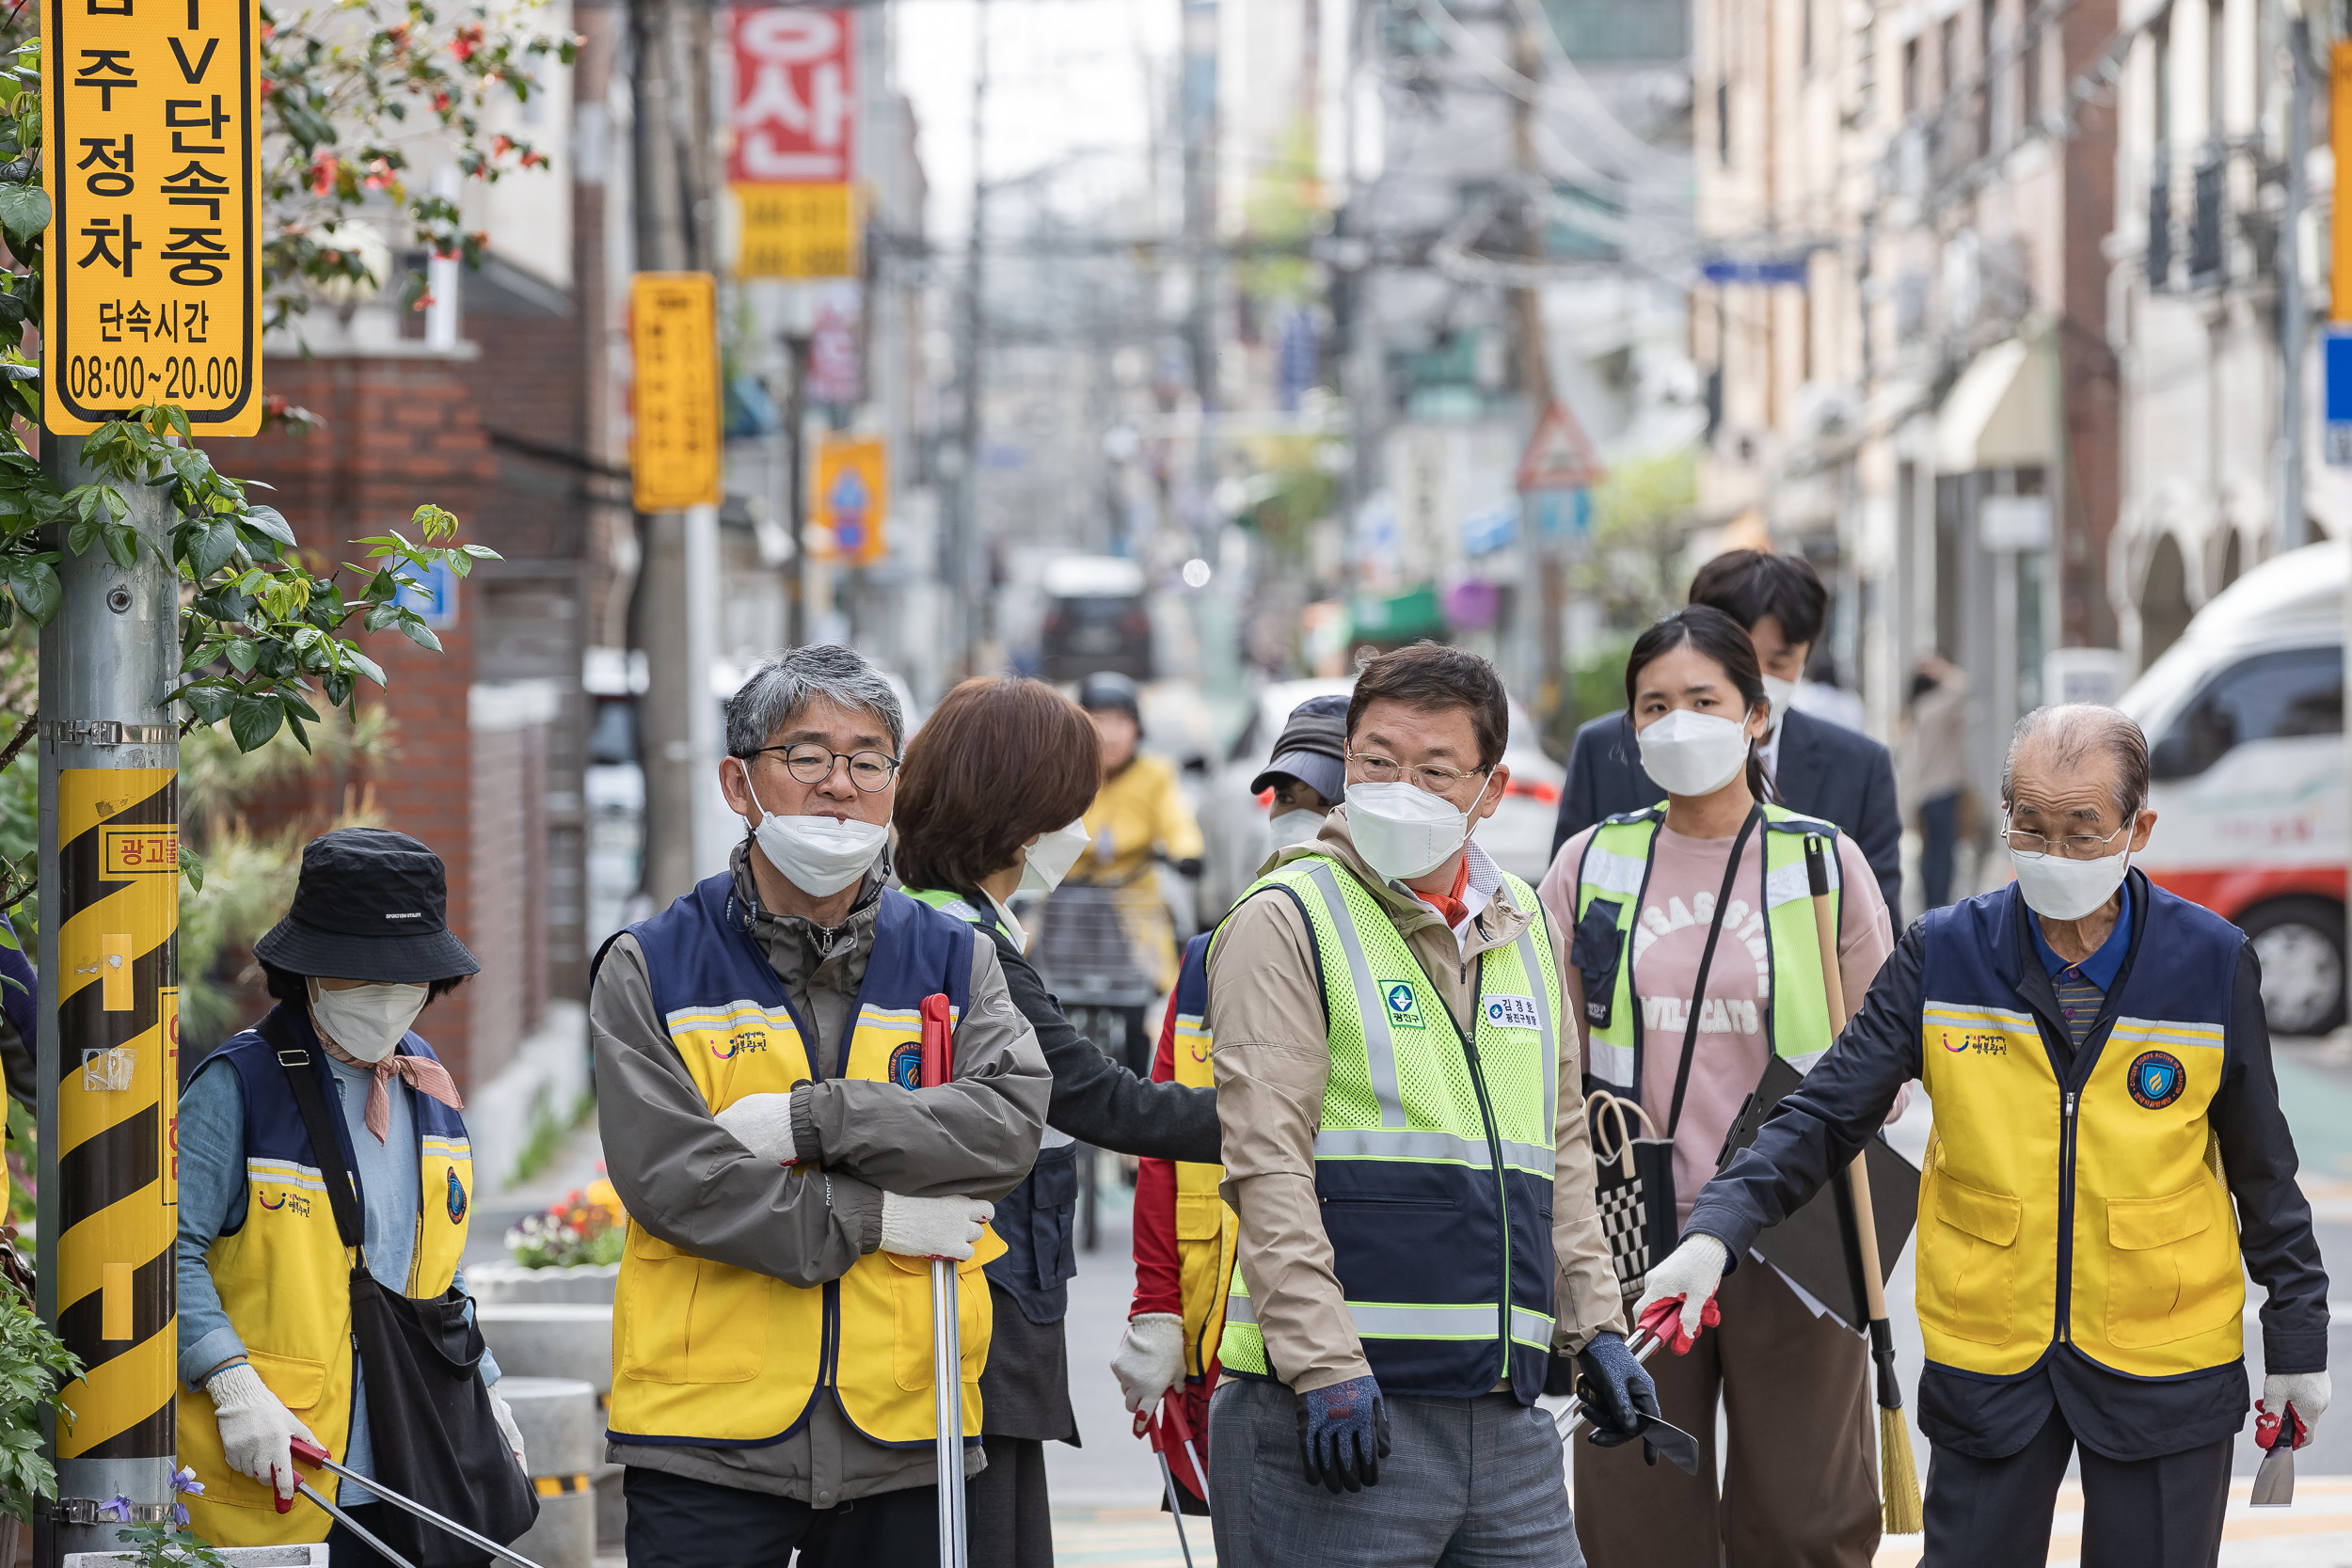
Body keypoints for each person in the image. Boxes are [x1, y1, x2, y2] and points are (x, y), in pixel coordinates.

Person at [1646, 704, 2332, 1568]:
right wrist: (1715, 1233)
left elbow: (2263, 1170)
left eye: (2083, 831)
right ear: (2003, 817)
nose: (2055, 854)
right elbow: (1824, 1112)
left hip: (2165, 1356)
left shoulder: (2210, 959)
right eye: (2031, 826)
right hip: (1992, 1354)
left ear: (2138, 827)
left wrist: (2298, 1340)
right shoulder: (1945, 952)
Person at [591, 644, 1051, 1568]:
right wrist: (878, 1216)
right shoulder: (652, 964)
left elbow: (1006, 1125)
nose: (838, 785)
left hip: (908, 1429)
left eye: (868, 758)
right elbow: (676, 1180)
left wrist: (817, 1119)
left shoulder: (956, 959)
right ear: (739, 780)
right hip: (706, 1437)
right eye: (806, 756)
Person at [1206, 641, 1645, 1568]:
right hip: (1336, 1414)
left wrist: (1595, 1327)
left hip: (1506, 1421)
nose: (1398, 786)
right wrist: (1324, 1362)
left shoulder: (1521, 921)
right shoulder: (1288, 916)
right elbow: (1267, 1164)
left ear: (1490, 791)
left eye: (1434, 769)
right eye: (1375, 761)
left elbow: (1560, 1150)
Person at [1536, 607, 1895, 1567]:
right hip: (1625, 1229)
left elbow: (1888, 1059)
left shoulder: (1822, 861)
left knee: (1802, 1522)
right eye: (1654, 704)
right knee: (1631, 1518)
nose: (1677, 722)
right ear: (1630, 729)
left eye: (1703, 699)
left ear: (1755, 716)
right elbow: (1546, 1060)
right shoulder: (1587, 863)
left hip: (1798, 1223)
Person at [889, 675, 1222, 1568]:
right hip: (973, 1312)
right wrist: (1276, 1121)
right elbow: (1096, 1095)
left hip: (975, 1301)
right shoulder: (958, 944)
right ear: (1015, 821)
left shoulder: (928, 920)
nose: (1078, 831)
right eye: (1067, 810)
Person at [177, 829, 525, 1559]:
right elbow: (168, 1254)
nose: (381, 997)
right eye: (355, 976)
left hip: (416, 1460)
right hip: (283, 1459)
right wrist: (231, 1381)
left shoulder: (430, 1085)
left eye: (401, 979)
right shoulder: (238, 1086)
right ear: (306, 971)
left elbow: (442, 1270)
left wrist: (485, 1384)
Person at [1113, 692, 1351, 1508]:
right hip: (1223, 1356)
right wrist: (1155, 1312)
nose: (1299, 820)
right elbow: (1164, 1146)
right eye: (1290, 799)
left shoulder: (1414, 967)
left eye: (1327, 803)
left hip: (1359, 1359)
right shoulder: (1211, 958)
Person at [1550, 549, 1902, 913]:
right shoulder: (1604, 752)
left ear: (1806, 656)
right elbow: (1563, 927)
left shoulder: (1859, 768)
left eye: (1778, 663)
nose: (1757, 678)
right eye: (1738, 658)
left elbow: (1877, 933)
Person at [1068, 671, 1206, 1010]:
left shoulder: (1156, 773)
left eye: (1120, 722)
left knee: (1153, 983)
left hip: (1134, 899)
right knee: (1028, 964)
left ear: (1137, 729)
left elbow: (1177, 821)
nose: (1109, 735)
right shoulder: (1064, 770)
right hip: (1068, 897)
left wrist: (1187, 852)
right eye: (1098, 721)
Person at [1904, 654, 1971, 911]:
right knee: (1943, 853)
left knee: (1930, 852)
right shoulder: (1935, 708)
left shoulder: (1917, 711)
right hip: (1943, 789)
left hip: (1923, 793)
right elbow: (1962, 684)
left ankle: (1930, 904)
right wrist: (1939, 667)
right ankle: (1938, 905)